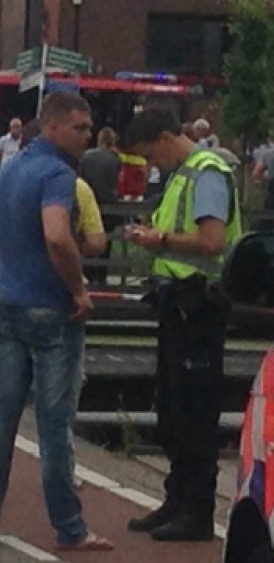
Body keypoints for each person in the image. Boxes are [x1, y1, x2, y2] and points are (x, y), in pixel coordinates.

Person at [0, 93, 112, 551]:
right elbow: (57, 235)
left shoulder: (8, 172)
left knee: (0, 417)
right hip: (51, 309)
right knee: (53, 423)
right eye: (80, 128)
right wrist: (78, 289)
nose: (87, 136)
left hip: (9, 305)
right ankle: (69, 527)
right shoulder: (57, 175)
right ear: (53, 128)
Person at [123, 107, 242, 542]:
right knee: (172, 409)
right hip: (177, 305)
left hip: (199, 307)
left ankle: (197, 512)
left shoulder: (206, 172)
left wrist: (161, 240)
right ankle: (178, 500)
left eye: (151, 156)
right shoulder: (183, 175)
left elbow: (211, 241)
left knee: (195, 412)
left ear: (166, 137)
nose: (152, 166)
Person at [0, 119, 107, 389]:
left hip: (9, 294)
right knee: (56, 395)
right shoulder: (76, 187)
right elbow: (97, 242)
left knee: (2, 395)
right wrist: (72, 260)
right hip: (58, 296)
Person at [79, 127, 122, 285]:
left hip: (90, 202)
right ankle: (101, 277)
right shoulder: (115, 158)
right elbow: (116, 182)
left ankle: (87, 275)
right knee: (106, 241)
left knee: (88, 240)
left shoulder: (86, 156)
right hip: (109, 203)